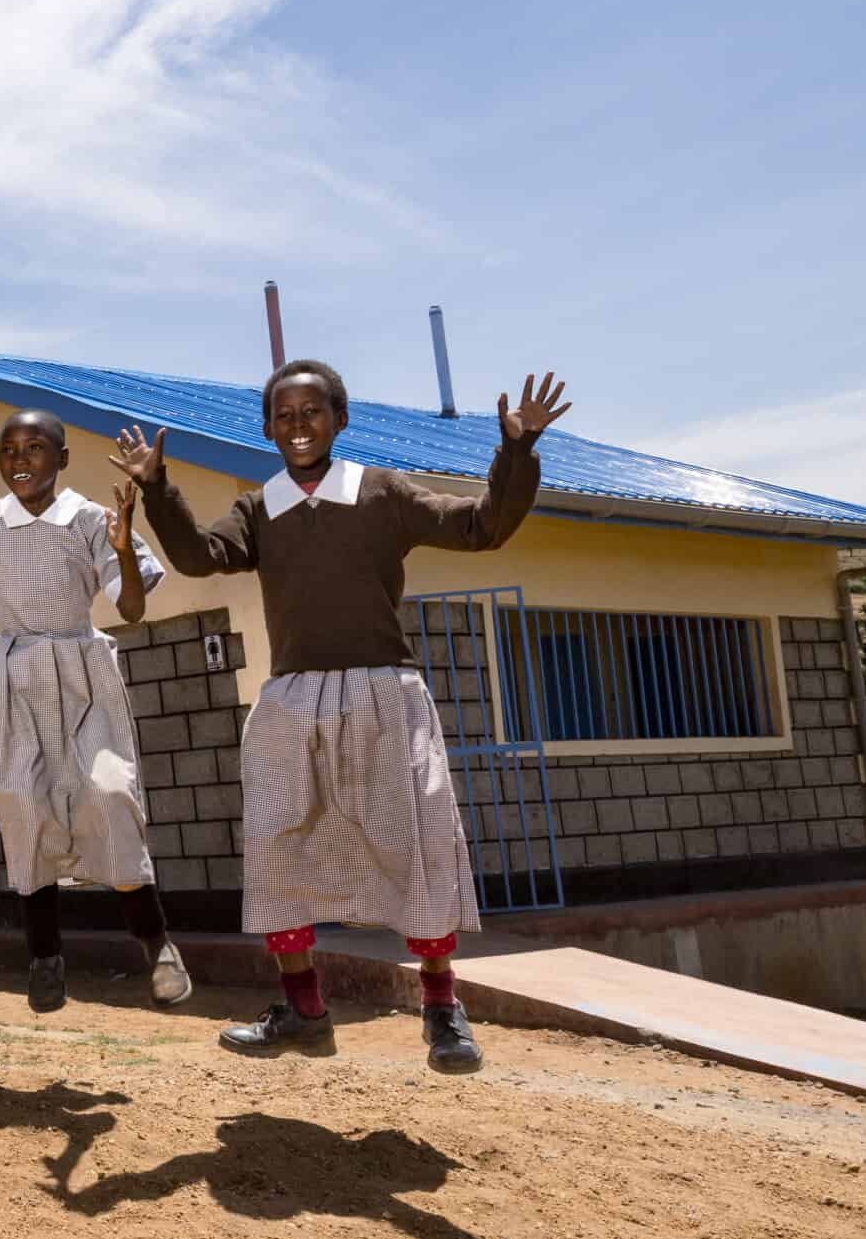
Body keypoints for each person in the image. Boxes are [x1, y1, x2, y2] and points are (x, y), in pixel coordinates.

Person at [117, 359, 571, 1072]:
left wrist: (516, 451)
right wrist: (156, 487)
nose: (298, 426)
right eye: (284, 415)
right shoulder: (258, 507)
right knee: (276, 844)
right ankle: (303, 1008)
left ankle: (443, 1009)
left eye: (312, 412)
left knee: (415, 841)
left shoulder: (380, 492)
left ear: (340, 419)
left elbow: (483, 525)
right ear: (268, 428)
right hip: (294, 701)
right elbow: (198, 557)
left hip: (384, 696)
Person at [0, 411, 190, 1013]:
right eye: (9, 449)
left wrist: (123, 551)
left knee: (110, 791)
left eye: (36, 448)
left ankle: (157, 944)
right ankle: (45, 957)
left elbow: (132, 608)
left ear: (62, 459)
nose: (21, 460)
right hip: (16, 677)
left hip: (83, 672)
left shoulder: (90, 518)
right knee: (23, 803)